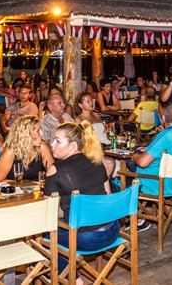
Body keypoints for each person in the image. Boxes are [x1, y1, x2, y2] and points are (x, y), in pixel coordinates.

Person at [45, 121, 114, 285]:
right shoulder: (97, 161)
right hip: (112, 230)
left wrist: (63, 210)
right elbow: (108, 197)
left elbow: (48, 214)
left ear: (72, 146)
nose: (51, 144)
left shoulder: (56, 169)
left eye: (57, 141)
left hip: (88, 238)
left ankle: (72, 278)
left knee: (38, 236)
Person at [129, 104, 172, 231]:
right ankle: (142, 215)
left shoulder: (166, 135)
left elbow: (142, 162)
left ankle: (136, 216)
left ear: (163, 118)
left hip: (159, 184)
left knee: (128, 169)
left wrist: (135, 156)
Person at [0, 116, 54, 183]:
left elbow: (54, 174)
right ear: (27, 135)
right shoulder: (10, 153)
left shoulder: (42, 148)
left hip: (38, 189)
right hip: (15, 189)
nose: (42, 133)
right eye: (38, 131)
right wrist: (28, 184)